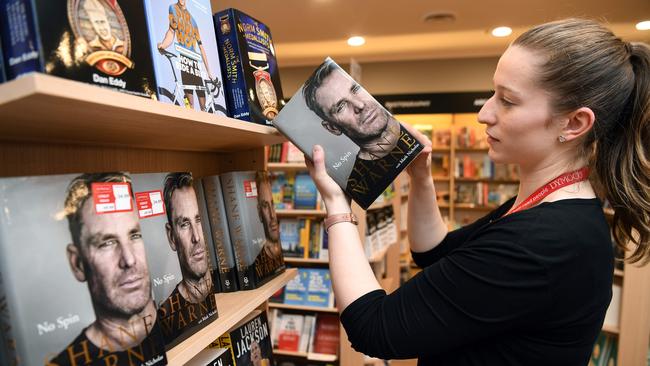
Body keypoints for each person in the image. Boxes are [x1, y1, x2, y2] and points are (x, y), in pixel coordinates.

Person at [305, 18, 650, 365]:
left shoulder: (543, 242)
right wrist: (420, 176)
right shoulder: (541, 206)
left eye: (508, 101)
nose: (484, 113)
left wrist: (337, 205)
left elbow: (374, 328)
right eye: (492, 94)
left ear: (573, 123)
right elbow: (434, 253)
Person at [51, 173, 162, 365]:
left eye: (134, 235)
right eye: (107, 243)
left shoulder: (176, 323)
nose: (128, 260)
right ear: (77, 264)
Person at [303, 59, 421, 208]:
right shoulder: (356, 184)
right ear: (333, 127)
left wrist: (422, 178)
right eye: (341, 106)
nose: (360, 105)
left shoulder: (413, 146)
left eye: (355, 89)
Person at [157, 172, 217, 343]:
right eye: (184, 224)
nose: (196, 237)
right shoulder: (165, 318)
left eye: (198, 220)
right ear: (171, 237)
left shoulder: (221, 285)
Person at [157, 0, 214, 111]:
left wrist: (209, 72)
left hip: (195, 63)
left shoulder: (193, 21)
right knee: (190, 106)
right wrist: (163, 45)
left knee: (204, 108)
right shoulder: (173, 8)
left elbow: (201, 47)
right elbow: (171, 31)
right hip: (184, 60)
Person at [252, 171, 285, 282]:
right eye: (265, 206)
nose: (272, 215)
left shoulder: (278, 256)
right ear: (259, 213)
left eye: (273, 204)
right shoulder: (256, 262)